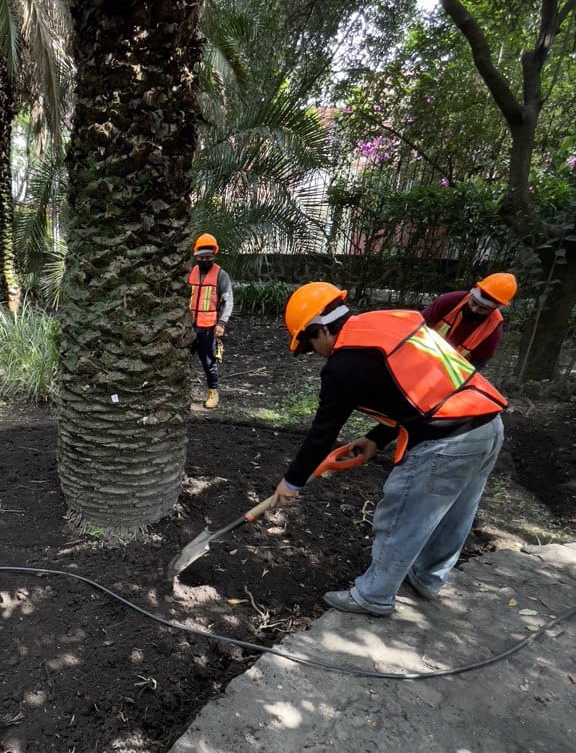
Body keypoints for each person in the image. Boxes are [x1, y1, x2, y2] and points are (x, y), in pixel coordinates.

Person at [269, 282, 507, 616]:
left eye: (309, 344)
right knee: (456, 515)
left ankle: (373, 595)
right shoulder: (386, 321)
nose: (314, 353)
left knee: (401, 513)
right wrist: (377, 438)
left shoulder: (343, 365)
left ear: (321, 329)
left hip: (448, 441)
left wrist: (291, 482)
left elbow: (322, 435)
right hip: (487, 424)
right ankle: (427, 578)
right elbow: (416, 389)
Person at [423, 272, 517, 366]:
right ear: (471, 295)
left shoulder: (493, 330)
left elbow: (477, 364)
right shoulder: (450, 301)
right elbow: (418, 325)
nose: (474, 309)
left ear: (493, 309)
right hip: (423, 353)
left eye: (483, 308)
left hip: (451, 370)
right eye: (474, 303)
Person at [187, 233, 233, 409]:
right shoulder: (191, 272)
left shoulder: (221, 275)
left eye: (208, 257)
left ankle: (213, 392)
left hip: (208, 327)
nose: (204, 260)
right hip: (189, 326)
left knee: (209, 363)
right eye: (201, 257)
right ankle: (183, 394)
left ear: (213, 256)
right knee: (183, 362)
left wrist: (222, 323)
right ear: (196, 257)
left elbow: (229, 301)